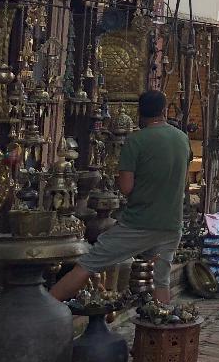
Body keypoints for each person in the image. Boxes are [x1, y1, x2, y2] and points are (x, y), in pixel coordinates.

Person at [53, 89, 189, 304]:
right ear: (163, 111)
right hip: (172, 223)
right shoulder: (182, 138)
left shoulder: (137, 141)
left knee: (87, 265)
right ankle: (163, 324)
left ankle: (47, 308)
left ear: (140, 113)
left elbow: (125, 188)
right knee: (161, 281)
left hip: (140, 223)